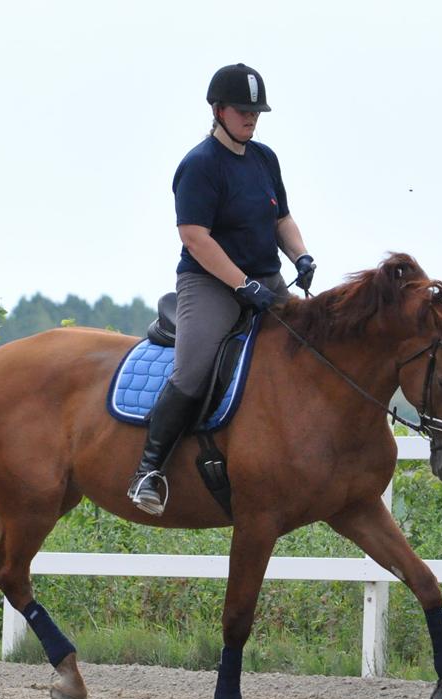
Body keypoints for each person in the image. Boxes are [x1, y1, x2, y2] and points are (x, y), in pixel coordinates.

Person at [127, 62, 317, 516]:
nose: (252, 118)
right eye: (243, 111)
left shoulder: (265, 158)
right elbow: (195, 236)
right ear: (218, 110)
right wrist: (241, 284)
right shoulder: (199, 166)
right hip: (208, 284)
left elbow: (281, 219)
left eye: (257, 111)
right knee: (193, 371)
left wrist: (301, 256)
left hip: (265, 280)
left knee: (309, 351)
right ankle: (148, 470)